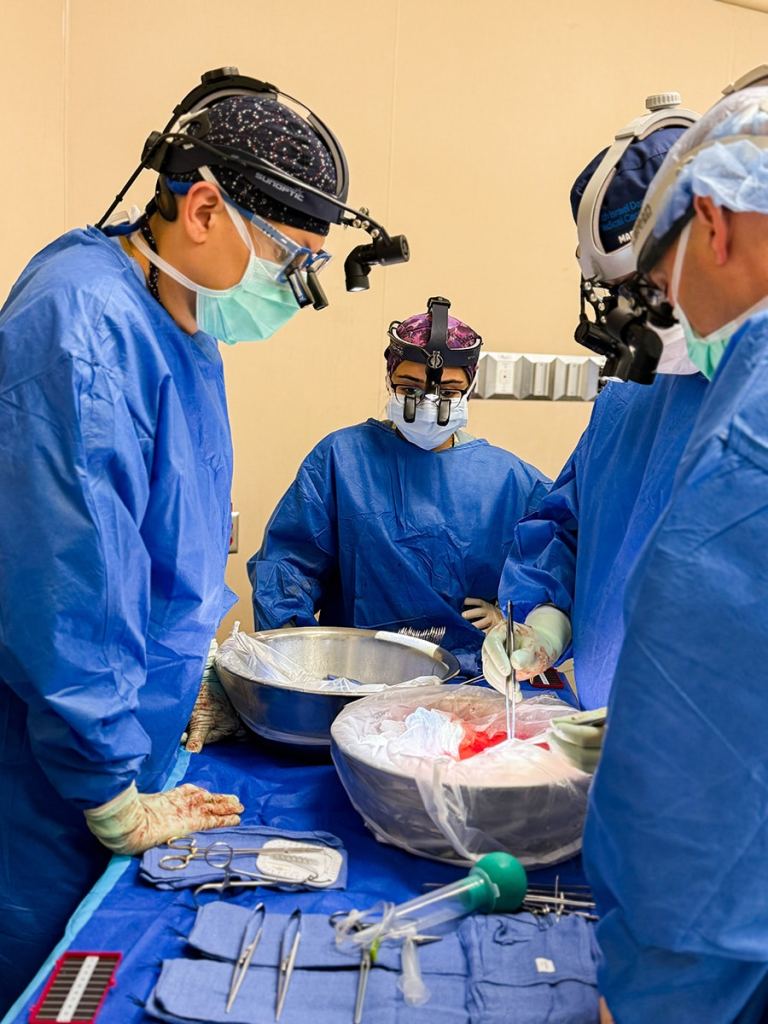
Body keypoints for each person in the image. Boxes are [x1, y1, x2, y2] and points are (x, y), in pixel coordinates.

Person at [0, 68, 389, 1011]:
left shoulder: (180, 322)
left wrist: (196, 674)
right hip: (52, 776)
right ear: (205, 209)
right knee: (58, 985)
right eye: (292, 263)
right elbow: (66, 585)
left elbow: (161, 550)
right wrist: (109, 792)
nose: (297, 293)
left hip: (124, 736)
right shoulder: (82, 328)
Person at [584, 85, 768, 1023]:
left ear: (713, 222)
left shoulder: (750, 436)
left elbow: (703, 805)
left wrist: (652, 988)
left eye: (660, 287)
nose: (668, 314)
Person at [481, 94, 708, 719]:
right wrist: (544, 618)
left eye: (651, 288)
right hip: (614, 733)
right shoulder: (630, 394)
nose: (639, 313)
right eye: (623, 292)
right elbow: (569, 521)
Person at [248, 297, 549, 676]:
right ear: (389, 379)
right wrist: (296, 659)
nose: (428, 404)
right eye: (410, 388)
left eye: (449, 392)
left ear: (470, 388)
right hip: (355, 673)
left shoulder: (507, 478)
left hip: (468, 674)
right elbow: (287, 567)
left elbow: (556, 560)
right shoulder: (342, 460)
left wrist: (512, 618)